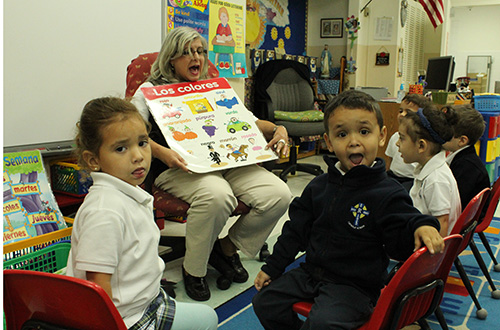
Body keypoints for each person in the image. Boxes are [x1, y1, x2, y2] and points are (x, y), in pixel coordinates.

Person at [252, 90, 444, 330]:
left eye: (364, 132)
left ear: (382, 136)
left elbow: (406, 220)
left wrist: (422, 225)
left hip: (354, 287)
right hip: (310, 274)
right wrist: (273, 267)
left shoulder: (388, 192)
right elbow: (295, 231)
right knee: (264, 302)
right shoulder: (319, 186)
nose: (354, 141)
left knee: (322, 324)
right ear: (329, 142)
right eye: (342, 134)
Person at [131, 26, 292, 301]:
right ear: (171, 57)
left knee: (278, 195)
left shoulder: (213, 88)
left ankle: (226, 249)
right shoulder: (150, 90)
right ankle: (194, 270)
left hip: (226, 162)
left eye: (200, 51)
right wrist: (160, 151)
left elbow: (248, 122)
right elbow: (131, 131)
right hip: (178, 166)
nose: (197, 57)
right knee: (217, 195)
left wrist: (279, 129)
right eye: (187, 52)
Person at [66, 97, 218, 330]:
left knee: (208, 317)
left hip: (147, 302)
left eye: (142, 143)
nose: (137, 156)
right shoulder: (105, 211)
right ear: (93, 160)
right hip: (126, 319)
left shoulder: (127, 193)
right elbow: (97, 286)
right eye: (121, 148)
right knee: (207, 321)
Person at [397, 104, 462, 236]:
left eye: (402, 138)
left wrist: (433, 257)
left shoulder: (436, 180)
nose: (397, 143)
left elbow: (441, 226)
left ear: (421, 145)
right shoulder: (430, 170)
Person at [443, 104, 490, 209]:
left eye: (446, 132)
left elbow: (452, 201)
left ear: (462, 140)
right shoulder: (462, 157)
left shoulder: (466, 166)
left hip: (462, 220)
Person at [385, 93, 432, 191]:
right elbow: (389, 160)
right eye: (401, 111)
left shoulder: (419, 141)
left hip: (410, 179)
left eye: (408, 112)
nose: (402, 114)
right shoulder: (394, 137)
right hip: (393, 176)